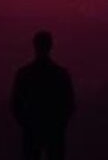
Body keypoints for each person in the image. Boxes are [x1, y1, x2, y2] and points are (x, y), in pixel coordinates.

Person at [11, 30, 75, 160]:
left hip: (34, 127)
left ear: (34, 45)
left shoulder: (25, 73)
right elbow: (69, 103)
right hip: (53, 128)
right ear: (51, 46)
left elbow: (15, 104)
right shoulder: (60, 74)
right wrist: (60, 123)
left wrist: (26, 123)